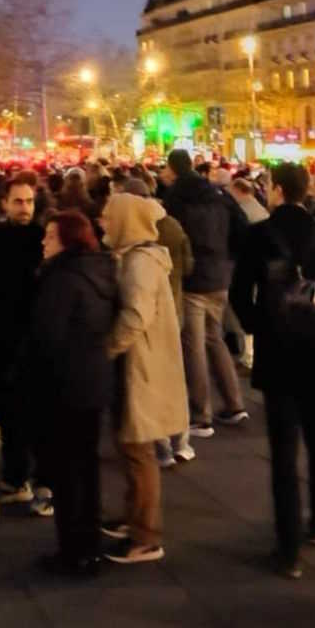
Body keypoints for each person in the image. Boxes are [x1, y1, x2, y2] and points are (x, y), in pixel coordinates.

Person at [230, 162, 315, 579]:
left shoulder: (258, 236)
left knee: (283, 450)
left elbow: (238, 294)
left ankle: (288, 549)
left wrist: (257, 325)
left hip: (277, 353)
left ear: (277, 190)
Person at [26, 211, 116, 574]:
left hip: (64, 384)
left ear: (67, 240)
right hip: (92, 379)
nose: (43, 242)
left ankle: (72, 551)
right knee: (87, 466)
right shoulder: (99, 271)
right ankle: (88, 541)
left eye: (50, 236)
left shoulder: (61, 279)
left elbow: (47, 336)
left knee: (66, 470)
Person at [102, 192, 189, 565]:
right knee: (131, 445)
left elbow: (135, 317)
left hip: (141, 364)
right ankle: (134, 519)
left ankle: (145, 536)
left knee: (139, 450)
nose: (102, 221)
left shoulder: (140, 263)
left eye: (108, 216)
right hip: (140, 361)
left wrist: (107, 347)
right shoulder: (139, 258)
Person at [162, 148, 247, 436]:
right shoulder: (219, 195)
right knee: (215, 339)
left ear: (172, 170)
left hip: (194, 278)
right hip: (220, 276)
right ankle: (235, 404)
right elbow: (241, 228)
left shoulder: (176, 198)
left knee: (193, 346)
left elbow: (169, 236)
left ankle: (201, 415)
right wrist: (226, 258)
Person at [119, 178, 195, 468]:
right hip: (172, 302)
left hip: (156, 311)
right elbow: (188, 264)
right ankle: (181, 442)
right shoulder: (172, 225)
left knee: (152, 381)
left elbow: (136, 311)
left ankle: (162, 443)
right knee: (173, 376)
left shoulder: (141, 237)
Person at [0, 177, 46, 508]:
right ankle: (18, 476)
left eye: (29, 201)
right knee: (8, 413)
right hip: (4, 343)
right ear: (5, 204)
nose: (25, 208)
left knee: (27, 414)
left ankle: (27, 478)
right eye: (19, 201)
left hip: (28, 344)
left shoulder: (43, 241)